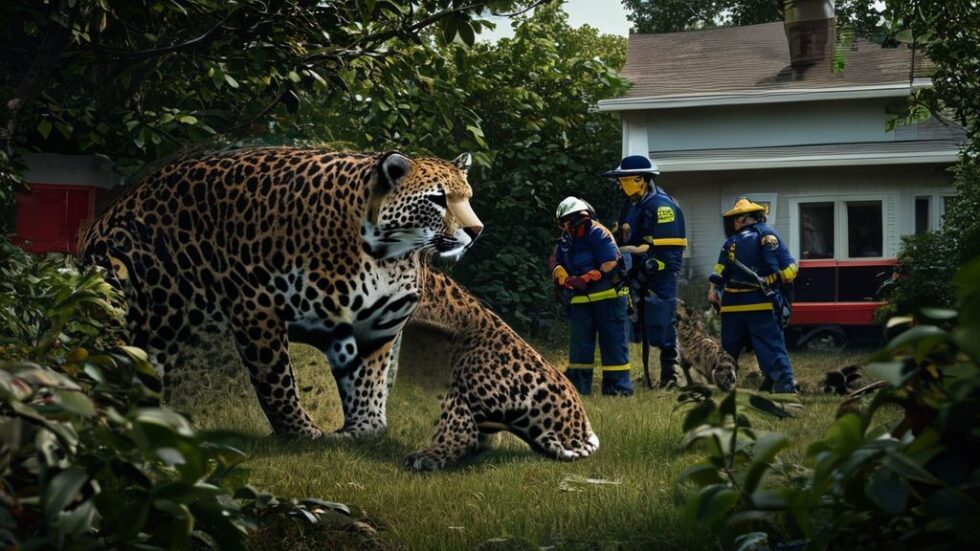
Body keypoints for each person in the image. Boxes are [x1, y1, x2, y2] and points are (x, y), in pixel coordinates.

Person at [602, 155, 686, 388]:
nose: (620, 184)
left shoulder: (662, 207)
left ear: (641, 179)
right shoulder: (631, 205)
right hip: (634, 273)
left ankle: (669, 378)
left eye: (624, 179)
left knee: (660, 323)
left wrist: (645, 264)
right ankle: (649, 378)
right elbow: (621, 237)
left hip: (658, 277)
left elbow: (668, 252)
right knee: (639, 327)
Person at [707, 197, 800, 393]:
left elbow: (718, 272)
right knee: (770, 346)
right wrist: (778, 281)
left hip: (732, 306)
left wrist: (712, 291)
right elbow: (790, 269)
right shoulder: (768, 235)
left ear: (741, 219)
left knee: (729, 350)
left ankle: (724, 386)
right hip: (760, 304)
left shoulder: (730, 243)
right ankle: (784, 386)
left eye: (734, 219)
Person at [549, 196, 632, 396]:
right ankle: (578, 388)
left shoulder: (598, 233)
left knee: (613, 345)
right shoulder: (567, 239)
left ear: (580, 217)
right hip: (580, 300)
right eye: (563, 223)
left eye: (568, 222)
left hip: (608, 298)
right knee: (579, 347)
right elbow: (555, 258)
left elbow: (610, 263)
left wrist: (586, 278)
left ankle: (617, 390)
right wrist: (559, 272)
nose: (565, 227)